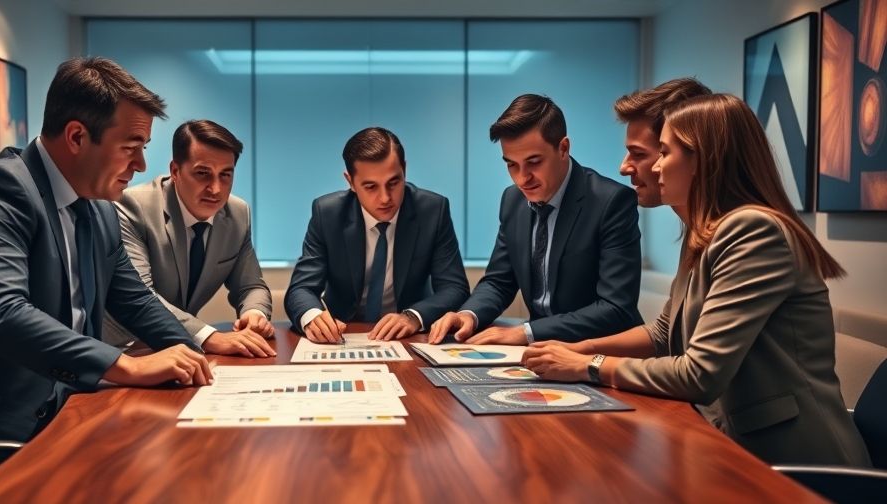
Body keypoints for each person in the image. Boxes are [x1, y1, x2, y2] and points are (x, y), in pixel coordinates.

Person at [521, 94, 871, 466]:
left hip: (800, 465)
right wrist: (578, 349)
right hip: (737, 446)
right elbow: (664, 333)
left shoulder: (752, 230)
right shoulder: (706, 231)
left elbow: (699, 373)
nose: (653, 168)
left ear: (704, 161)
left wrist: (588, 365)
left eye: (664, 153)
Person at [0, 57, 211, 447]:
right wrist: (124, 364)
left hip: (63, 417)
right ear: (77, 137)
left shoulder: (99, 207)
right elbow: (1, 314)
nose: (141, 165)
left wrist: (196, 355)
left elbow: (134, 301)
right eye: (130, 147)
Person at [428, 94, 642, 345]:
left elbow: (615, 308)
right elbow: (499, 281)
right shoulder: (513, 200)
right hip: (539, 353)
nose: (522, 179)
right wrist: (469, 314)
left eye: (534, 162)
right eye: (512, 165)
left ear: (563, 148)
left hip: (597, 352)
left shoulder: (611, 202)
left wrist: (526, 332)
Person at [103, 120, 276, 358]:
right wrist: (210, 337)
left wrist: (254, 314)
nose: (215, 189)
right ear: (175, 171)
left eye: (225, 175)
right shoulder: (132, 207)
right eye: (203, 174)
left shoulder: (237, 214)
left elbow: (250, 285)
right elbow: (142, 295)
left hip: (180, 352)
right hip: (123, 350)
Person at [285, 127, 469, 342]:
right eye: (371, 187)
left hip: (408, 337)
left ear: (405, 171)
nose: (385, 198)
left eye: (393, 183)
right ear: (351, 182)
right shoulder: (327, 214)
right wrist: (313, 317)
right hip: (342, 334)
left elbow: (454, 288)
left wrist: (413, 317)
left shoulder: (432, 210)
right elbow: (301, 288)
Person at [614, 78, 712, 207]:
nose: (624, 168)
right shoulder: (700, 225)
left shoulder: (739, 224)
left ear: (697, 156)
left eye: (639, 154)